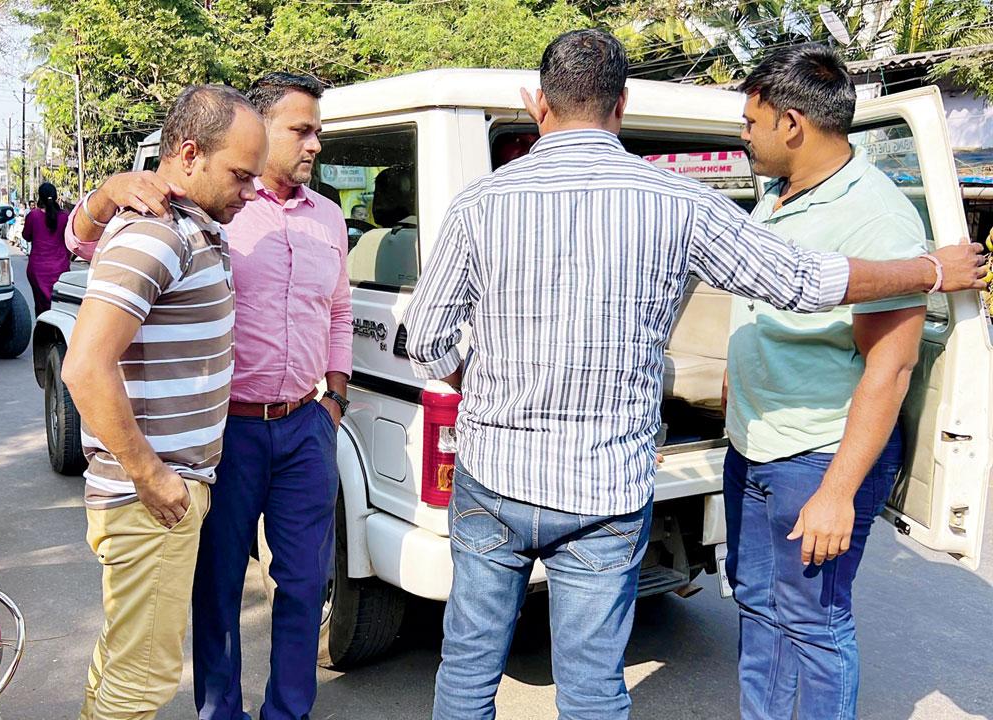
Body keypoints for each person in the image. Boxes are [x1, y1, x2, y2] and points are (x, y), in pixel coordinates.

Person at [403, 29, 986, 720]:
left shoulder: (477, 203)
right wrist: (928, 270)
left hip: (493, 475)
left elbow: (428, 339)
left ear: (539, 105)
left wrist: (485, 388)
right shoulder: (681, 202)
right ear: (621, 104)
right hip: (604, 487)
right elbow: (802, 282)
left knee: (468, 672)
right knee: (591, 689)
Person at [64, 71, 353, 720]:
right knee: (216, 588)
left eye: (318, 132)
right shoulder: (188, 212)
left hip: (305, 425)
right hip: (229, 433)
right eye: (299, 130)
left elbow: (339, 310)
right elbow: (82, 245)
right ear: (260, 129)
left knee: (305, 584)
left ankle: (288, 711)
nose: (313, 145)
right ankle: (220, 713)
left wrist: (335, 397)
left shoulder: (324, 218)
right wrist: (109, 191)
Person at [722, 44, 936, 720]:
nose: (744, 136)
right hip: (753, 446)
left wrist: (838, 491)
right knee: (756, 606)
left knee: (815, 624)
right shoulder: (778, 197)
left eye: (750, 123)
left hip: (815, 457)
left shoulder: (876, 217)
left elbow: (891, 364)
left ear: (791, 124)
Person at [60, 84, 267, 720]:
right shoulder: (159, 234)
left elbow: (79, 236)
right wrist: (150, 475)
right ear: (187, 153)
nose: (251, 190)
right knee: (140, 683)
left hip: (167, 490)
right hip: (152, 500)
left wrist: (97, 199)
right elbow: (85, 366)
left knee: (122, 662)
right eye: (240, 174)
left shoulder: (192, 227)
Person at [22, 182, 72, 316]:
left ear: (40, 197)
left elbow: (26, 236)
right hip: (60, 269)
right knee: (60, 308)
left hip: (37, 270)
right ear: (55, 197)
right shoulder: (65, 217)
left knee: (41, 307)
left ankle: (43, 331)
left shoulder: (33, 216)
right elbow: (69, 242)